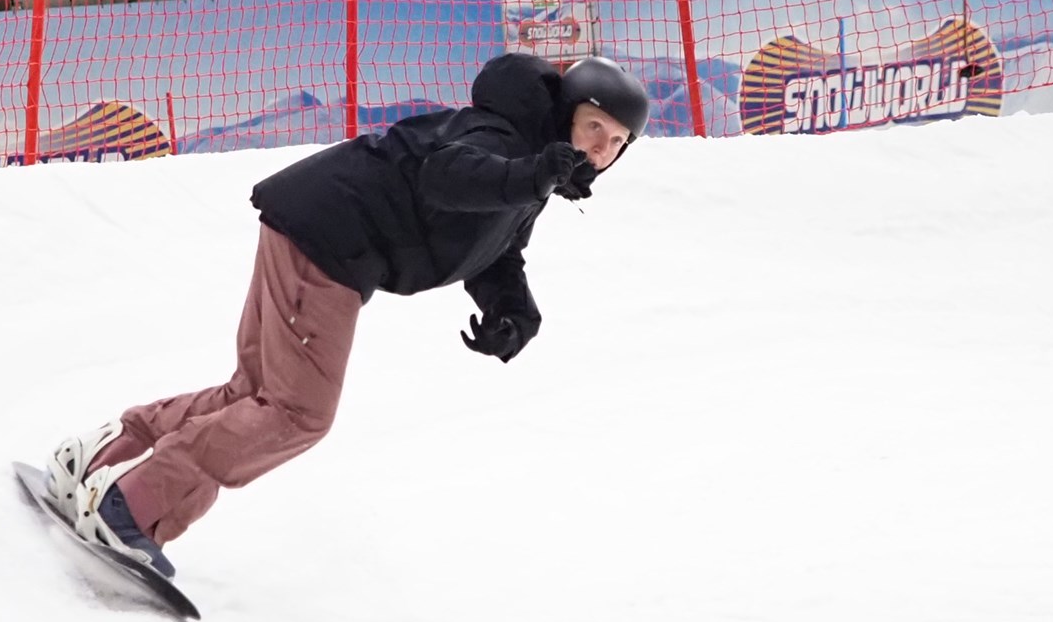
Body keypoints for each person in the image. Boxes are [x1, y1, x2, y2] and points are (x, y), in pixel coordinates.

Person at [39, 53, 651, 577]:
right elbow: (450, 178)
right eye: (593, 127)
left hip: (317, 228)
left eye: (615, 142)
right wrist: (529, 176)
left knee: (254, 393)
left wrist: (513, 311)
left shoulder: (529, 167)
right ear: (566, 113)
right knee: (297, 412)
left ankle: (100, 456)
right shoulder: (505, 140)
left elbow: (494, 247)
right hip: (332, 241)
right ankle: (130, 509)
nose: (599, 149)